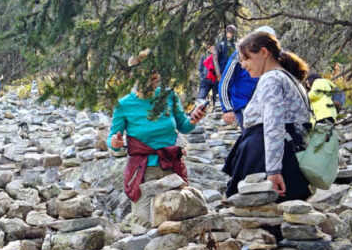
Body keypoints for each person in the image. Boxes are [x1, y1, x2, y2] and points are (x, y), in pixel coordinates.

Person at [107, 50, 205, 226]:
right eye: (151, 76)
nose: (156, 79)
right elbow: (112, 140)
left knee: (179, 220)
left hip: (171, 167)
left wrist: (193, 120)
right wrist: (115, 142)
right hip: (144, 171)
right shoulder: (124, 104)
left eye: (156, 76)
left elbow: (183, 125)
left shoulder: (169, 96)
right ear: (135, 75)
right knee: (143, 224)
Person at [221, 31, 313, 201]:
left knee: (259, 216)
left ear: (264, 53)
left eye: (246, 58)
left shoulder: (271, 79)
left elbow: (273, 124)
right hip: (289, 151)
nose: (242, 65)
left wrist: (273, 171)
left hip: (264, 155)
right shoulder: (289, 78)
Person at [218, 25, 276, 129]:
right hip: (243, 103)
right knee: (252, 137)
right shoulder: (240, 54)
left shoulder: (273, 56)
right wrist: (227, 108)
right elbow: (226, 80)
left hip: (265, 104)